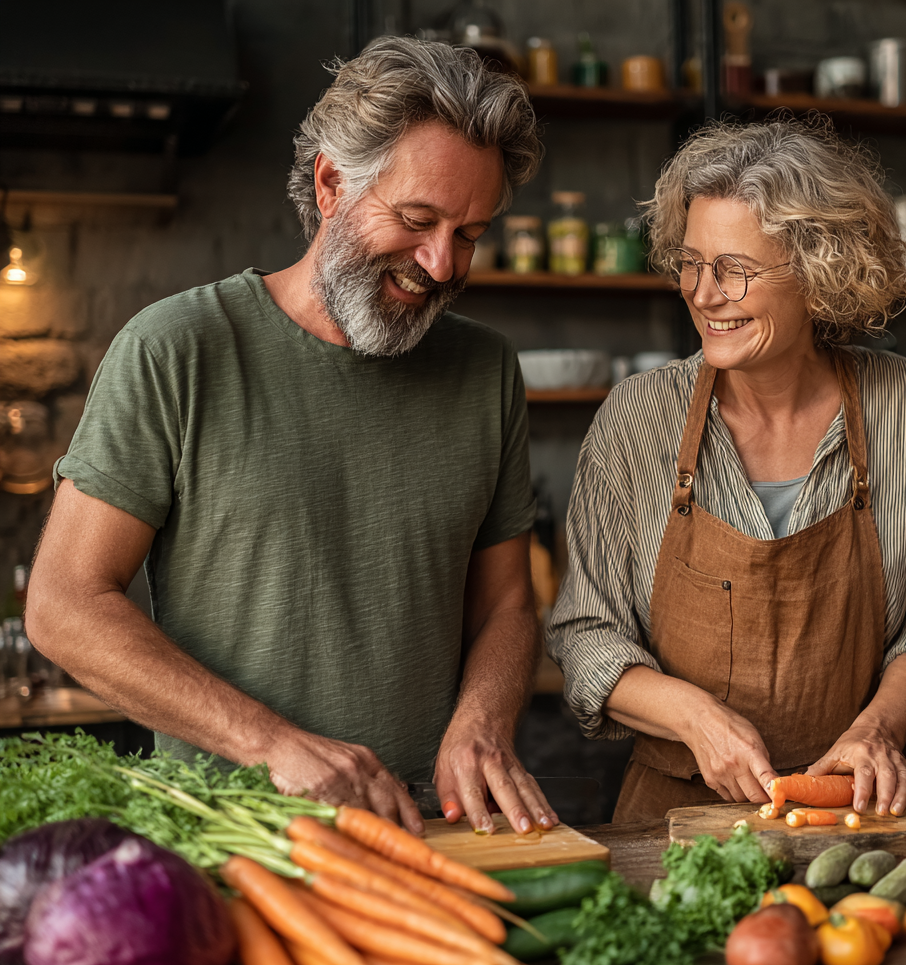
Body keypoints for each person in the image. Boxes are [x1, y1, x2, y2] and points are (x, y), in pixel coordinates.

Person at [26, 38, 558, 838]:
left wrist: (482, 718)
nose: (442, 263)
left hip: (433, 836)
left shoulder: (485, 370)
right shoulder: (179, 347)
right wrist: (271, 744)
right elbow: (64, 604)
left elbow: (509, 604)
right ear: (331, 182)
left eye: (470, 232)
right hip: (232, 842)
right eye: (417, 220)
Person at [548, 117, 906, 823]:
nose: (703, 293)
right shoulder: (636, 419)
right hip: (672, 822)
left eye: (735, 269)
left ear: (819, 272)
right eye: (691, 262)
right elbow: (585, 632)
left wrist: (878, 729)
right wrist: (694, 718)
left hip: (850, 813)